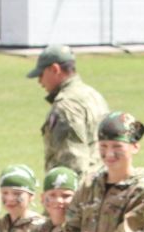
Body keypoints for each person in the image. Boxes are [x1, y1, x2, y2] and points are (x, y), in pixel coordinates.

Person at [28, 44, 110, 176]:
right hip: (100, 183)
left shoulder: (66, 106)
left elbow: (72, 162)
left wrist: (66, 194)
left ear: (55, 69)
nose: (39, 81)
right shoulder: (93, 95)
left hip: (82, 189)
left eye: (41, 74)